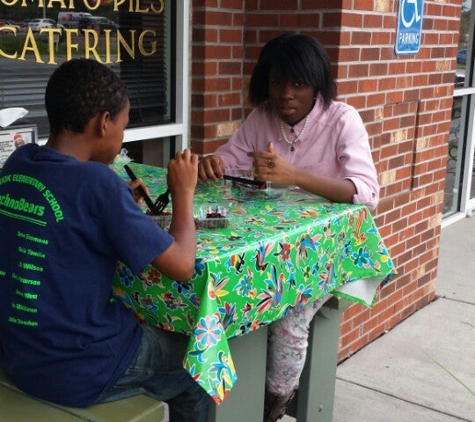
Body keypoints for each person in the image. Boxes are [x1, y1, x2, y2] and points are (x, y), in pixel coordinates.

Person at [0, 59, 211, 422]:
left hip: (17, 353)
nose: (122, 138)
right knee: (200, 366)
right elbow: (182, 265)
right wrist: (184, 193)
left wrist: (117, 205)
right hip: (80, 367)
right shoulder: (99, 183)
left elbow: (67, 216)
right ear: (104, 122)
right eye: (124, 125)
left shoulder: (19, 163)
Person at [198, 33, 379, 422]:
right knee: (233, 297)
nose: (286, 94)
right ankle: (230, 394)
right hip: (270, 246)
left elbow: (366, 193)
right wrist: (214, 161)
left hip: (326, 250)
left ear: (317, 85)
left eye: (298, 83)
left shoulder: (342, 119)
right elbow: (230, 157)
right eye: (277, 81)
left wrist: (293, 175)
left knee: (287, 318)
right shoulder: (262, 115)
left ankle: (272, 404)